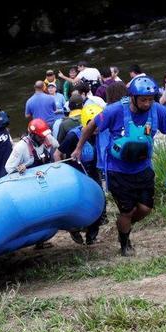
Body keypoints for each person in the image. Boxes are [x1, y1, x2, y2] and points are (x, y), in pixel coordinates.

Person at [72, 76, 166, 256]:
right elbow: (91, 126)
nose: (148, 104)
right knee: (127, 211)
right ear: (132, 97)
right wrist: (78, 148)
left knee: (145, 209)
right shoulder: (114, 111)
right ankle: (125, 245)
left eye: (150, 99)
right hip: (118, 171)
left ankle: (124, 226)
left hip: (143, 169)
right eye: (143, 100)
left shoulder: (157, 111)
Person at [55, 104, 106, 245]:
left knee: (99, 203)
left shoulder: (100, 134)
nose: (96, 129)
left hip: (93, 173)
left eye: (98, 125)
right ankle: (74, 229)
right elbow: (57, 153)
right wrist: (61, 173)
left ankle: (91, 237)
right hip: (77, 175)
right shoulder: (73, 135)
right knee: (79, 205)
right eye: (93, 126)